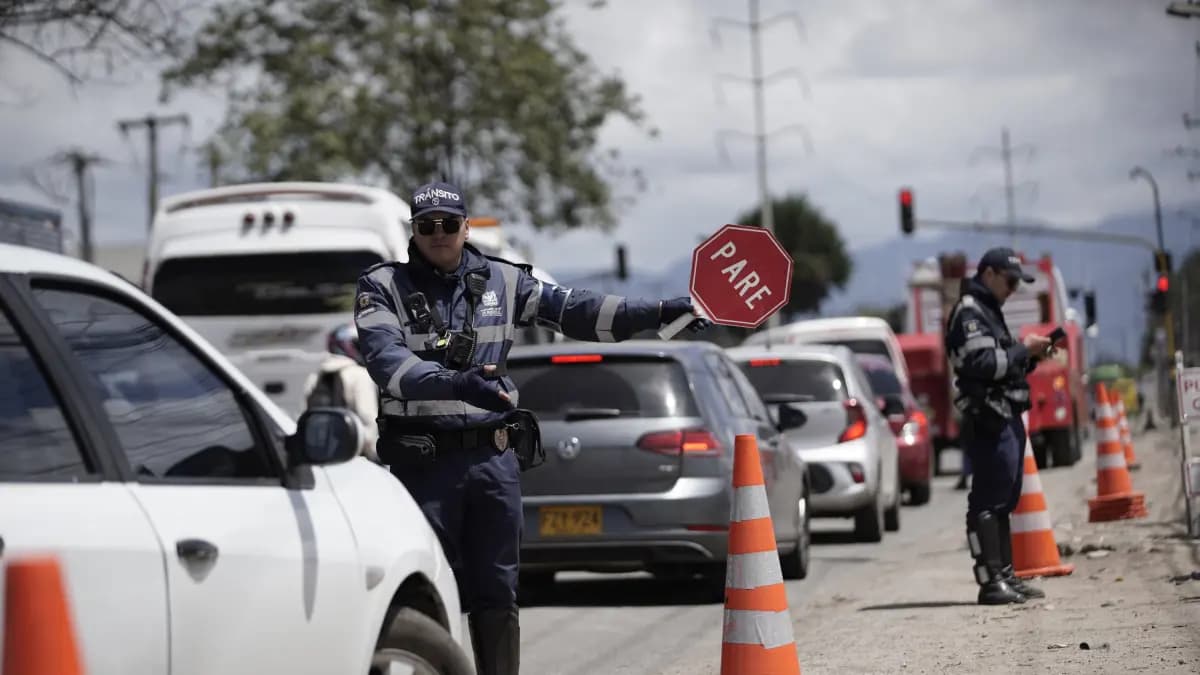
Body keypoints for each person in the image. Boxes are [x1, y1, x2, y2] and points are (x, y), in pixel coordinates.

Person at [353, 180, 706, 675]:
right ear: (413, 231)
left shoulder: (504, 281)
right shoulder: (381, 286)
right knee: (426, 585)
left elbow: (578, 312)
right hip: (422, 466)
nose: (438, 234)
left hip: (492, 462)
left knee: (498, 588)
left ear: (465, 227)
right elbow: (387, 363)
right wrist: (458, 384)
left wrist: (660, 312)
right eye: (427, 226)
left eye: (448, 224)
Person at [945, 247, 1054, 605]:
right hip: (988, 417)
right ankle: (991, 582)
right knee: (988, 501)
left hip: (1005, 413)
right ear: (988, 274)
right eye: (1009, 281)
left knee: (1004, 498)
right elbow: (982, 363)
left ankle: (1007, 575)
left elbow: (1005, 366)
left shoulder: (990, 312)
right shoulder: (970, 313)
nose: (1012, 289)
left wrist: (1030, 356)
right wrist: (1024, 349)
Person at [302, 323, 380, 462]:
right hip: (356, 456)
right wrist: (374, 455)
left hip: (322, 455)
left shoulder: (315, 376)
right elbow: (368, 419)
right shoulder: (359, 375)